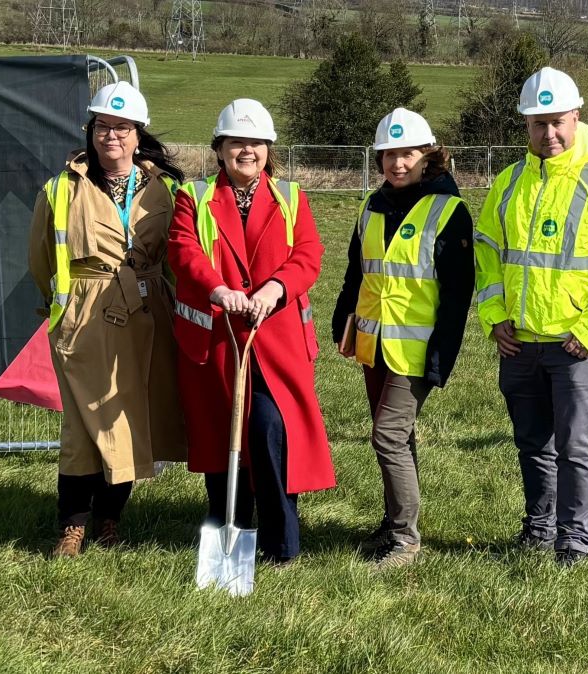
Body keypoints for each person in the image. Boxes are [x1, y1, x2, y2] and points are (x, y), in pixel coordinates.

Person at [474, 68, 588, 566]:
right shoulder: (508, 183)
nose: (548, 134)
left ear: (576, 117)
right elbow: (487, 253)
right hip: (520, 343)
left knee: (576, 448)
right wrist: (494, 315)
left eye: (557, 122)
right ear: (525, 125)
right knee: (532, 445)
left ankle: (575, 540)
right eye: (537, 124)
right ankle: (539, 527)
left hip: (577, 347)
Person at [168, 99, 335, 565]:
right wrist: (218, 289)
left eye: (256, 143)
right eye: (237, 142)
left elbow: (308, 253)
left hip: (274, 339)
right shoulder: (194, 196)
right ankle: (230, 533)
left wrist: (275, 288)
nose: (247, 151)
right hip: (218, 339)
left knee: (269, 430)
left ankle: (282, 544)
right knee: (223, 439)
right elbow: (182, 249)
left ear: (269, 149)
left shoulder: (291, 196)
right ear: (219, 149)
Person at [28, 81, 187, 557]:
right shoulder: (61, 189)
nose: (110, 136)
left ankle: (109, 519)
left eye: (121, 127)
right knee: (82, 425)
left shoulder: (167, 190)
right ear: (90, 131)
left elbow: (181, 254)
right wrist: (67, 307)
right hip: (85, 314)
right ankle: (72, 526)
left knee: (129, 419)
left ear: (139, 134)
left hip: (148, 311)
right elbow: (40, 259)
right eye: (102, 126)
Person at [331, 108, 474, 569]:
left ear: (428, 156)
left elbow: (457, 295)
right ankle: (394, 523)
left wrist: (441, 357)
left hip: (417, 350)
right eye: (389, 154)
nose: (397, 163)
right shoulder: (371, 206)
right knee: (398, 437)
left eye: (408, 153)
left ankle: (406, 541)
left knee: (387, 437)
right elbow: (358, 272)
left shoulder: (449, 210)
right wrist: (343, 322)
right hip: (375, 345)